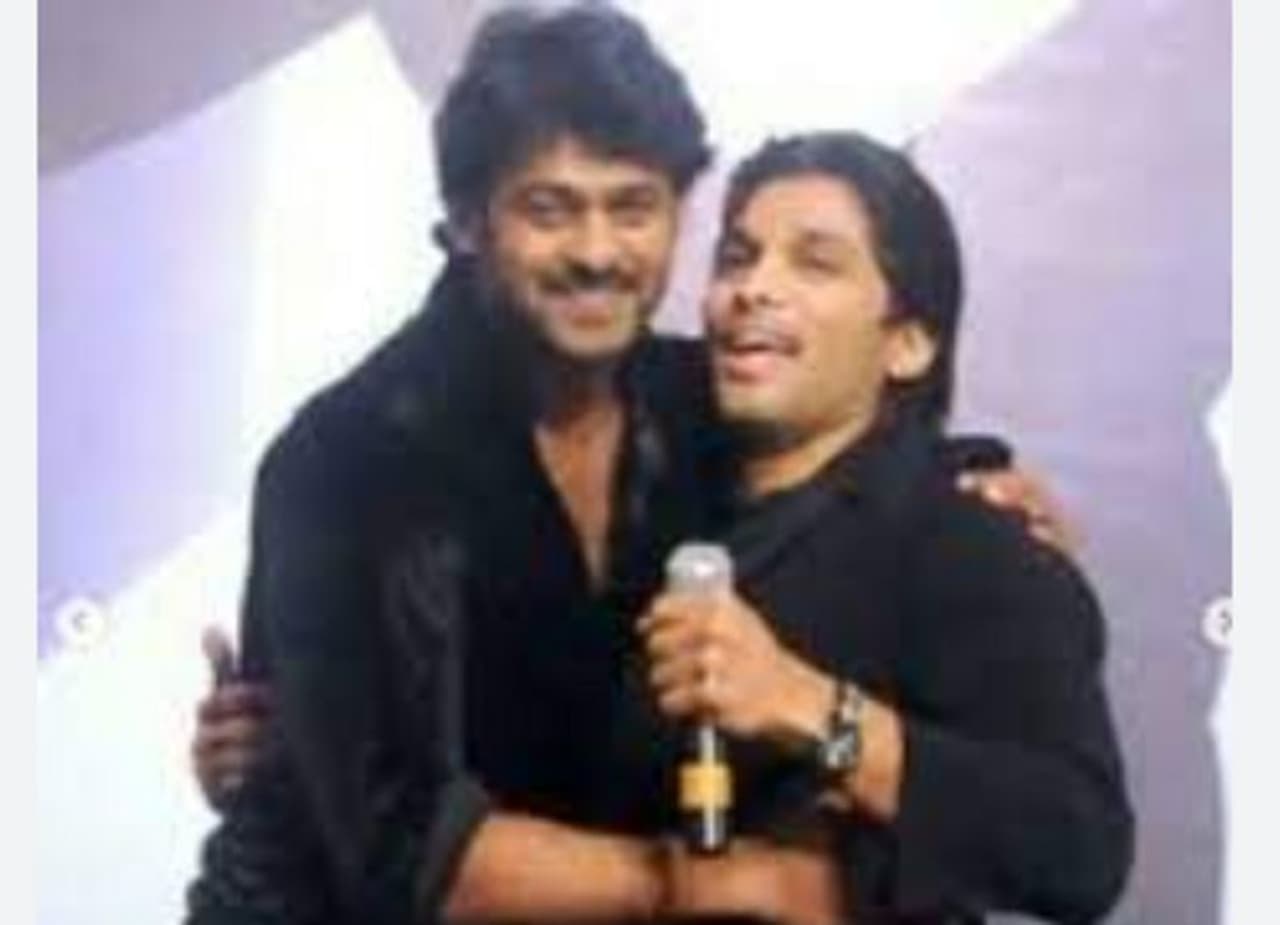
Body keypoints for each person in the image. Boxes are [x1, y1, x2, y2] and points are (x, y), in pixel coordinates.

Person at [185, 5, 1084, 924]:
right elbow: (405, 854)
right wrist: (731, 883)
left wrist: (977, 490)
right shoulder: (347, 462)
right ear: (467, 220)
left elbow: (845, 438)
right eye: (550, 209)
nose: (597, 253)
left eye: (633, 207)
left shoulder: (692, 401)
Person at [636, 131, 1133, 921]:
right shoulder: (645, 460)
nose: (755, 288)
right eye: (737, 257)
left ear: (908, 342)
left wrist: (812, 708)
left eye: (815, 263)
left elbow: (1079, 844)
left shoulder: (973, 543)